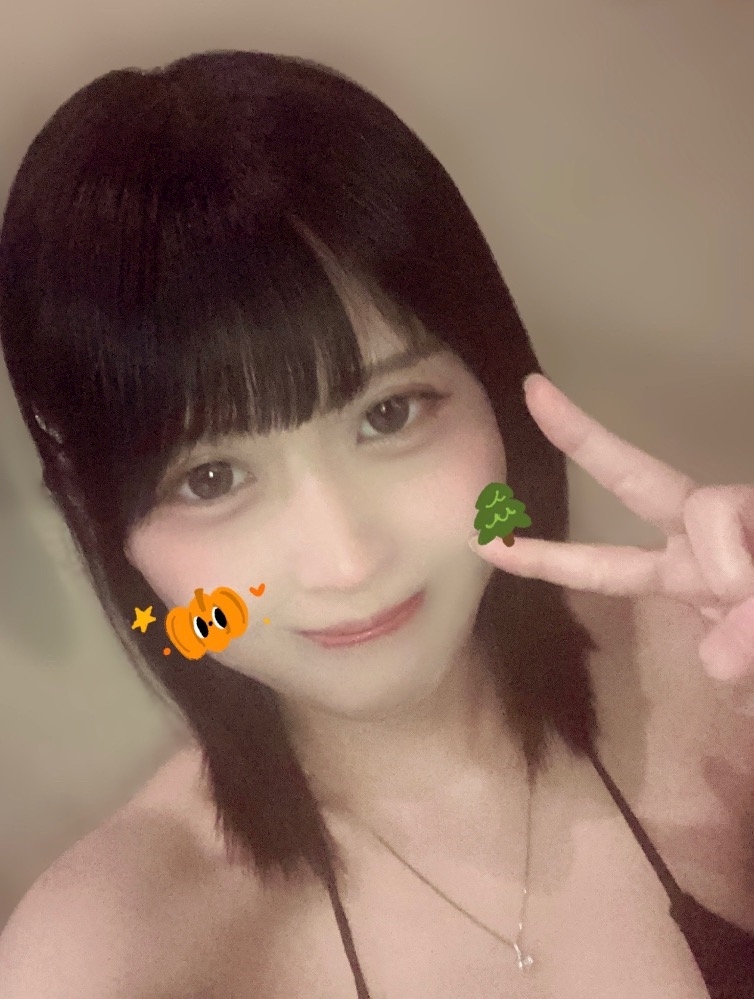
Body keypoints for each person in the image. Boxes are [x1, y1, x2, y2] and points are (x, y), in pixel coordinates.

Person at [0, 49, 752, 999]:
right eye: (212, 476)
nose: (347, 561)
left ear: (494, 387)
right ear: (102, 517)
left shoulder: (719, 689)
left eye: (389, 414)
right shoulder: (106, 957)